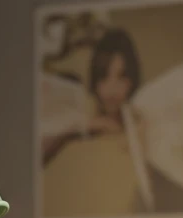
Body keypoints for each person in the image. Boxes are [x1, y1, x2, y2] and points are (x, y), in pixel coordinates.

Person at [41, 28, 142, 165]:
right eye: (103, 76)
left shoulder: (139, 119)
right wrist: (85, 126)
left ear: (132, 78)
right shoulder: (81, 114)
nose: (111, 89)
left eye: (121, 76)